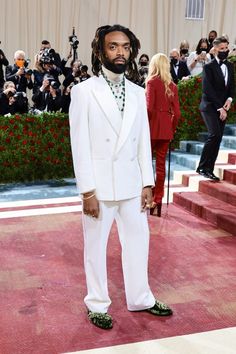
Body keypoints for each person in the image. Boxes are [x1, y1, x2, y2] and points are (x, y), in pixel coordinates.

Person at [69, 24, 173, 330]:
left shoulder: (140, 93)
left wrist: (147, 182)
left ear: (132, 51)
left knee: (139, 241)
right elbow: (80, 145)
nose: (120, 52)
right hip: (99, 188)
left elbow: (142, 141)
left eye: (125, 47)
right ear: (100, 50)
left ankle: (141, 297)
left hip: (130, 184)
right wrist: (87, 191)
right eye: (113, 46)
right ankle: (97, 303)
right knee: (95, 247)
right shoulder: (83, 92)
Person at [146, 53, 180, 217]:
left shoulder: (152, 82)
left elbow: (149, 109)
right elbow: (178, 114)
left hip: (151, 128)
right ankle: (157, 199)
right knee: (160, 166)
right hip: (166, 129)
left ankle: (148, 198)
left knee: (145, 164)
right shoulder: (172, 85)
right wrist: (171, 129)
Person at [196, 36, 234, 181]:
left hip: (223, 107)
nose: (225, 51)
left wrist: (229, 100)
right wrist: (220, 108)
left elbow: (231, 86)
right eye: (222, 48)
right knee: (214, 135)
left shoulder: (230, 66)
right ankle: (202, 167)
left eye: (226, 48)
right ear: (215, 49)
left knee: (218, 138)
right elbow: (207, 90)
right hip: (209, 107)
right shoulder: (208, 67)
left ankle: (208, 169)